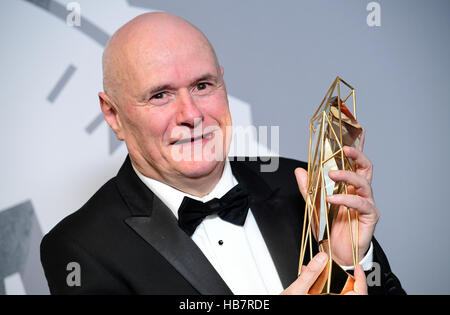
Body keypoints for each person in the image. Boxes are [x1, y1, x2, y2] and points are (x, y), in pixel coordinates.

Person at [40, 12, 405, 295]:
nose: (192, 115)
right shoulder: (79, 247)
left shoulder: (306, 186)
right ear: (113, 115)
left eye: (202, 85)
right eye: (160, 95)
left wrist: (346, 263)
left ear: (223, 83)